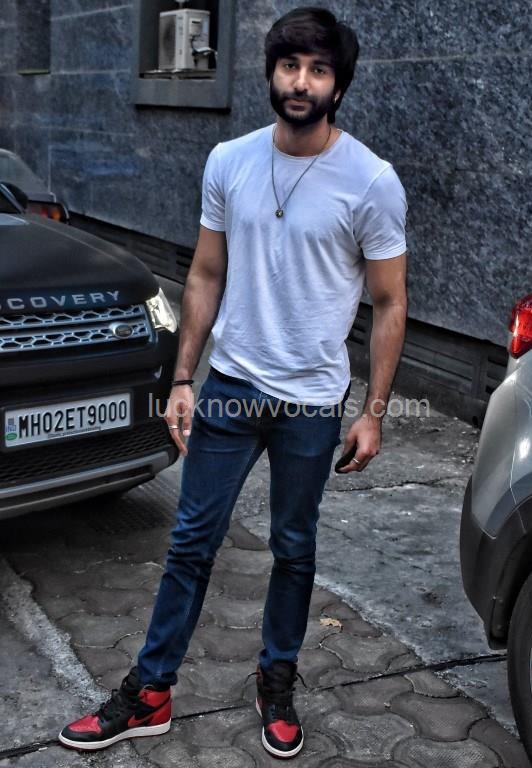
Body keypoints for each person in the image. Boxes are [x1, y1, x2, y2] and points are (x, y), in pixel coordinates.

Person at [58, 5, 407, 759]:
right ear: (271, 73)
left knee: (294, 548)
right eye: (289, 66)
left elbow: (389, 303)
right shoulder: (229, 160)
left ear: (338, 86)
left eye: (318, 70)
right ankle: (150, 692)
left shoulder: (371, 181)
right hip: (231, 386)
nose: (301, 82)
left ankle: (275, 680)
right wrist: (183, 376)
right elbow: (206, 274)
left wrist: (374, 411)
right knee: (190, 542)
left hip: (311, 401)